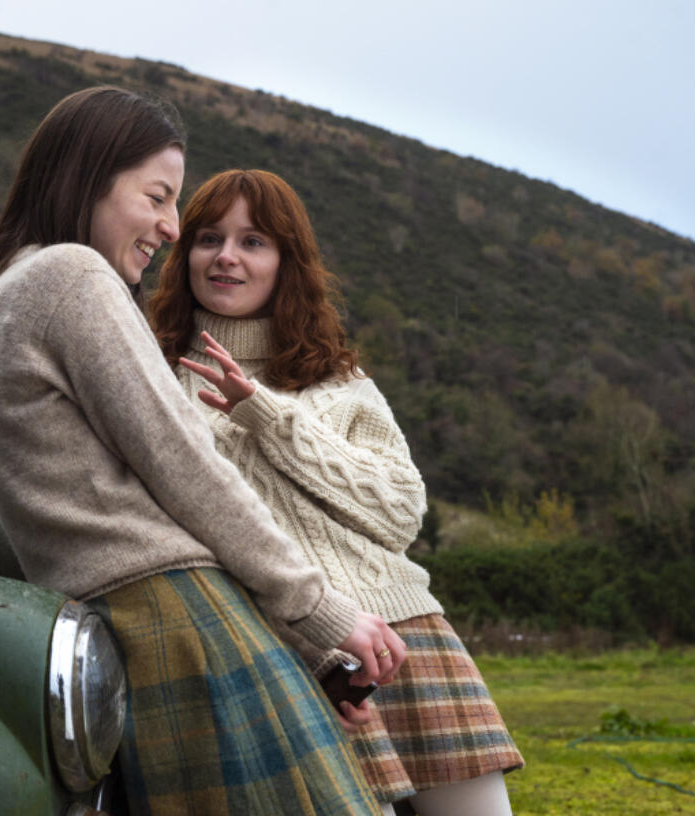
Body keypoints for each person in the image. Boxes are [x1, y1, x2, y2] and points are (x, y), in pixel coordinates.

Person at [0, 86, 406, 815]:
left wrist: (308, 646)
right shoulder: (72, 276)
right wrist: (323, 612)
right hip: (177, 618)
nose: (169, 225)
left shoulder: (20, 285)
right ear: (89, 178)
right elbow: (187, 469)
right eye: (157, 197)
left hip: (144, 618)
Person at [148, 168, 524, 816]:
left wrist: (264, 414)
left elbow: (401, 512)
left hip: (404, 633)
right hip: (283, 647)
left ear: (286, 261)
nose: (227, 258)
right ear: (185, 253)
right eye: (209, 238)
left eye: (253, 241)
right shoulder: (145, 368)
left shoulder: (336, 379)